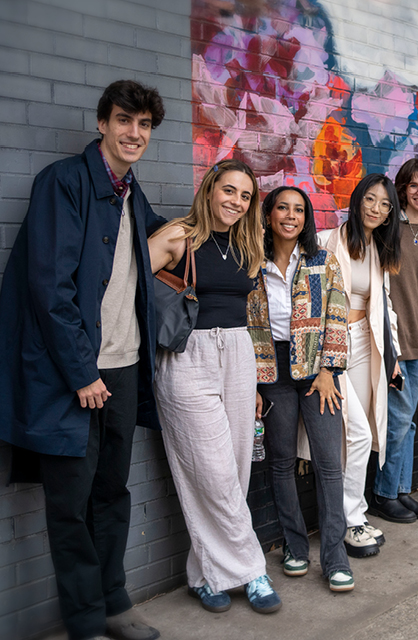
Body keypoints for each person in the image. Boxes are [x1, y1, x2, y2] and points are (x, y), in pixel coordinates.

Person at [0, 80, 165, 640]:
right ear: (102, 123)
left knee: (112, 493)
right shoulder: (64, 183)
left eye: (143, 125)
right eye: (124, 120)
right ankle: (85, 620)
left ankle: (114, 602)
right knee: (70, 503)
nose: (134, 133)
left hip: (122, 366)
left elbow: (156, 245)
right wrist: (82, 372)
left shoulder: (128, 192)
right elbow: (50, 289)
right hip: (76, 377)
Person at [148, 160, 282, 615]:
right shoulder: (177, 237)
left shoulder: (249, 246)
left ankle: (204, 575)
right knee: (213, 472)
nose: (236, 202)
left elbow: (256, 317)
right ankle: (252, 570)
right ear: (209, 190)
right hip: (188, 357)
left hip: (239, 355)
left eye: (245, 197)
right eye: (228, 191)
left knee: (236, 470)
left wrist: (261, 377)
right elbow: (120, 283)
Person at [248, 186, 354, 592]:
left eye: (298, 210)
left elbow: (338, 316)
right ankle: (294, 547)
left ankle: (334, 556)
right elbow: (245, 325)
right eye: (282, 208)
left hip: (316, 372)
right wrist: (254, 382)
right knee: (280, 462)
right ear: (269, 215)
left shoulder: (322, 261)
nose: (290, 216)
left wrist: (329, 369)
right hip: (271, 372)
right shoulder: (251, 263)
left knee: (329, 463)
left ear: (306, 218)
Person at [317, 174, 402, 558]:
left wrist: (395, 356)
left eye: (385, 205)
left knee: (364, 429)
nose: (376, 209)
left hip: (369, 345)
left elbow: (386, 310)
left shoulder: (378, 247)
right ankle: (351, 519)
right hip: (336, 345)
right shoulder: (327, 241)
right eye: (370, 199)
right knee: (358, 434)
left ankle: (352, 514)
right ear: (357, 199)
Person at [369, 158, 418, 524]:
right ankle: (384, 494)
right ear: (402, 190)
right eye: (413, 185)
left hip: (417, 339)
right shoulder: (389, 230)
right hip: (393, 343)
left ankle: (401, 490)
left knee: (408, 421)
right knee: (398, 420)